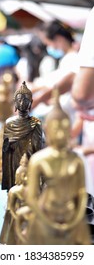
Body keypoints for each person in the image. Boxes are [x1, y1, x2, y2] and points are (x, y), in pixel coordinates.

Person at [16, 89, 91, 245]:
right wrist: (46, 220)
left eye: (64, 129)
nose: (60, 134)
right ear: (47, 130)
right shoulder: (39, 159)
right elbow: (32, 195)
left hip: (71, 213)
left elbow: (82, 193)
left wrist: (76, 218)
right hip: (45, 212)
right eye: (56, 129)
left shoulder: (76, 160)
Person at [1, 81, 44, 191]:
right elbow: (5, 149)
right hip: (15, 157)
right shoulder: (9, 123)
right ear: (14, 103)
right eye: (19, 100)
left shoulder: (35, 123)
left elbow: (39, 147)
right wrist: (8, 145)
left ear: (31, 102)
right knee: (16, 179)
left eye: (25, 100)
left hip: (30, 157)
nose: (22, 103)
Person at [31, 20, 78, 115]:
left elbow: (63, 84)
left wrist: (39, 99)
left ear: (59, 39)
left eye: (48, 43)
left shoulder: (73, 59)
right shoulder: (67, 59)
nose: (50, 47)